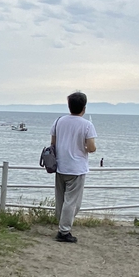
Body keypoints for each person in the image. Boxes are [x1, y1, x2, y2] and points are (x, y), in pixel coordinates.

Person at [50, 92, 97, 243]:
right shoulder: (87, 125)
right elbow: (91, 147)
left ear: (69, 105)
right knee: (72, 201)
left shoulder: (58, 121)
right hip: (76, 168)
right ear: (84, 107)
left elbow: (53, 143)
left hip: (60, 165)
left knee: (61, 198)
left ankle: (61, 224)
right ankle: (64, 231)